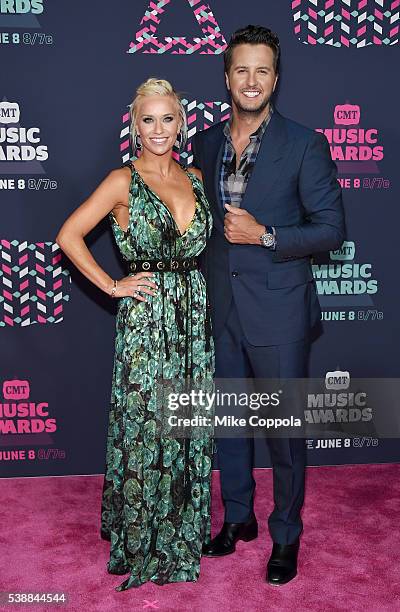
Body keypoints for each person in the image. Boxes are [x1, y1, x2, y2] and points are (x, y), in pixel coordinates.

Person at [191, 25, 345, 585]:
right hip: (223, 306)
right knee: (230, 426)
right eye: (241, 70)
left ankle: (285, 535)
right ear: (227, 78)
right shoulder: (206, 142)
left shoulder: (305, 144)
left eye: (262, 70)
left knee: (284, 434)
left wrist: (268, 235)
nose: (251, 81)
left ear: (275, 79)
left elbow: (331, 229)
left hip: (279, 311)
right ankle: (237, 519)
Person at [55, 78, 214, 590]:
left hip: (193, 318)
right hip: (147, 321)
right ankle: (144, 537)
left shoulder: (195, 175)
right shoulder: (122, 181)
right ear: (134, 125)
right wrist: (112, 284)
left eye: (168, 118)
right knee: (149, 427)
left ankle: (182, 531)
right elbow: (69, 235)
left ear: (182, 123)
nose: (159, 129)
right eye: (148, 119)